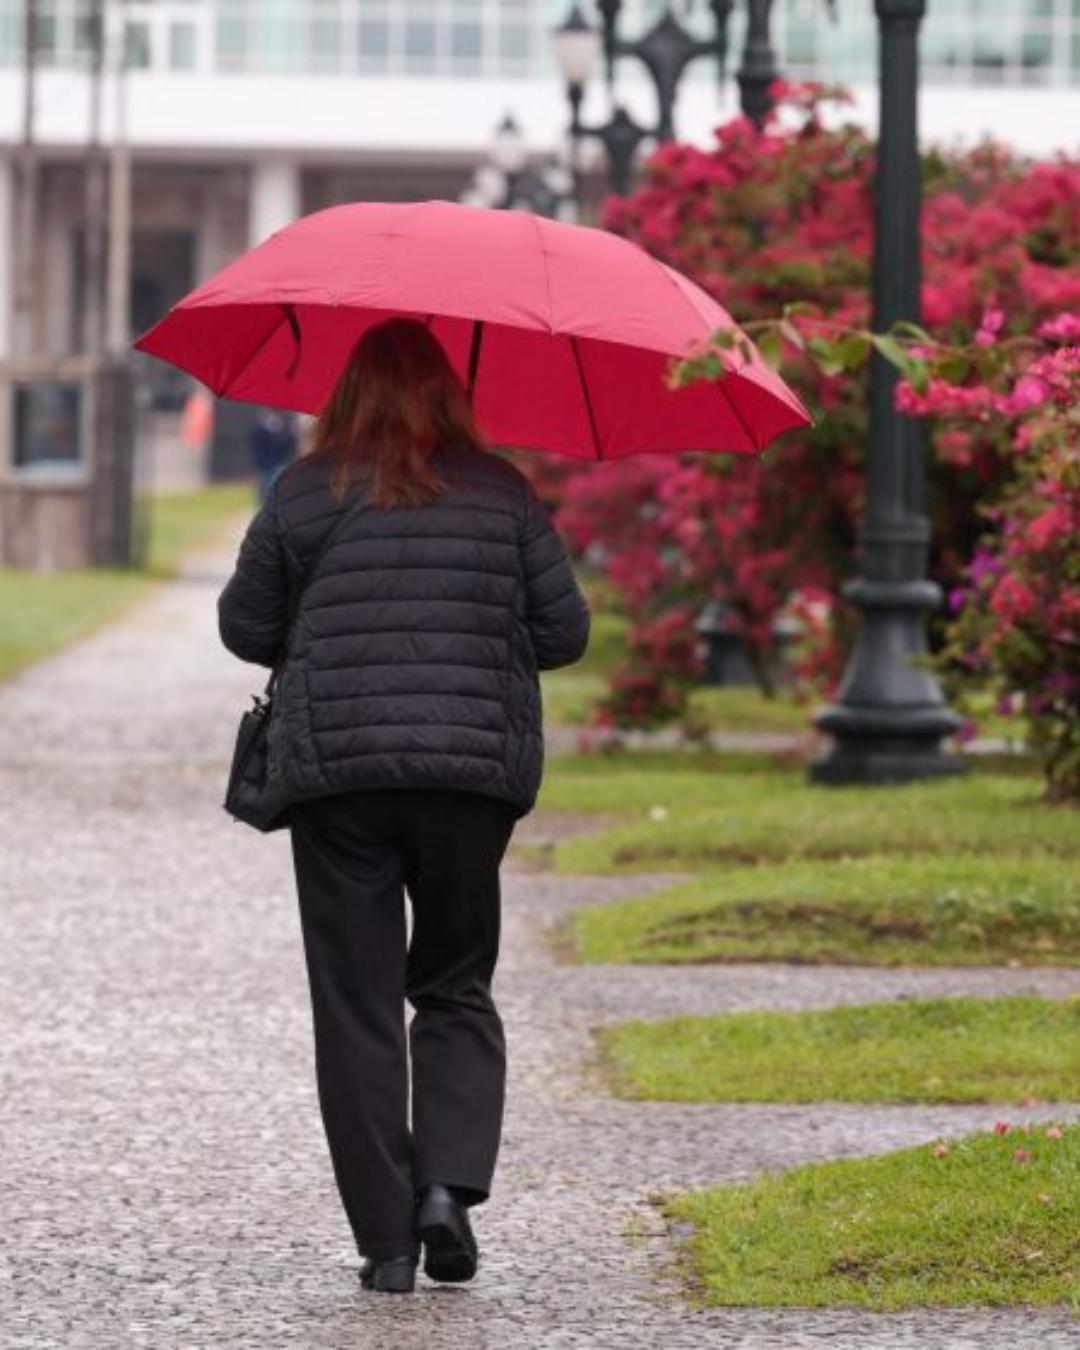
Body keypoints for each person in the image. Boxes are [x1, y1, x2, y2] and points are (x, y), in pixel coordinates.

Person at [216, 317, 591, 1294]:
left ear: (343, 396)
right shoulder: (503, 491)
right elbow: (564, 634)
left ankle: (385, 1241)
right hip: (469, 782)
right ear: (451, 396)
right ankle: (448, 1194)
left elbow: (244, 627)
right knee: (456, 982)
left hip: (339, 781)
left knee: (357, 1005)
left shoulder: (302, 491)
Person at [248, 407, 298, 505]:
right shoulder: (260, 427)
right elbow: (255, 442)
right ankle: (263, 505)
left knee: (276, 485)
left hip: (279, 461)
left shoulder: (283, 425)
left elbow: (288, 444)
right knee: (264, 485)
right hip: (265, 462)